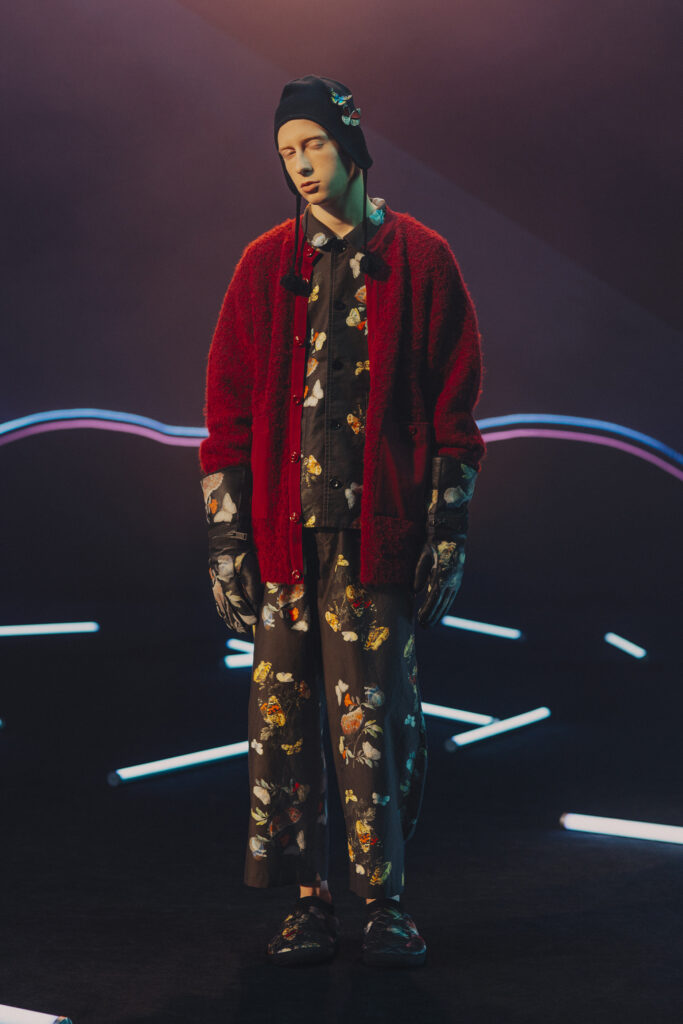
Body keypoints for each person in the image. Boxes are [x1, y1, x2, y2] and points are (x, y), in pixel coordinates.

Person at [199, 74, 485, 968]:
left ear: (352, 147)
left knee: (376, 722)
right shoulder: (264, 264)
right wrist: (226, 538)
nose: (300, 164)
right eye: (286, 150)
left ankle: (384, 903)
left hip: (376, 535)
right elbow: (226, 408)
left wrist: (447, 531)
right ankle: (307, 902)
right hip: (283, 540)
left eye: (313, 144)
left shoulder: (421, 258)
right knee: (281, 722)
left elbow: (453, 406)